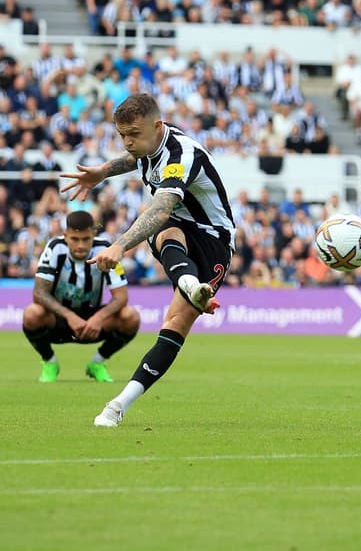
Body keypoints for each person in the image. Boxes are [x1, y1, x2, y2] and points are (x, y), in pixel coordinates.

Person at [60, 93, 236, 427]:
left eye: (134, 134)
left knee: (175, 319)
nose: (127, 142)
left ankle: (187, 283)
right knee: (168, 234)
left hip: (215, 239)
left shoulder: (182, 154)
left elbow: (160, 210)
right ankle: (116, 407)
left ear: (157, 126)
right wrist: (101, 172)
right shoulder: (148, 145)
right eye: (122, 134)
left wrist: (119, 247)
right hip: (179, 233)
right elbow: (134, 159)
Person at [23, 210, 139, 383]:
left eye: (86, 239)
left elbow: (121, 297)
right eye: (75, 239)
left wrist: (98, 318)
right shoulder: (54, 248)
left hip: (92, 321)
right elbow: (39, 293)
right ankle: (50, 362)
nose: (80, 246)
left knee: (131, 317)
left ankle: (97, 363)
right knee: (32, 314)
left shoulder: (106, 249)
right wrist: (70, 316)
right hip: (60, 319)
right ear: (66, 235)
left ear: (93, 234)